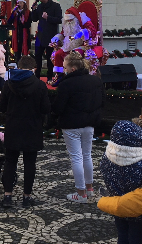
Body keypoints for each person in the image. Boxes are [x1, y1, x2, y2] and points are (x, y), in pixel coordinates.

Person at [0, 55, 51, 208]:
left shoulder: (9, 85)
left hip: (13, 126)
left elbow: (1, 107)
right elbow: (46, 108)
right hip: (32, 127)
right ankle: (26, 197)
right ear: (34, 69)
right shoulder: (40, 85)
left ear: (19, 67)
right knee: (29, 163)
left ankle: (7, 196)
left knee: (10, 161)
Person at [52, 52, 103, 203]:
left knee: (76, 157)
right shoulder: (96, 81)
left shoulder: (66, 84)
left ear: (72, 69)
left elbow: (58, 107)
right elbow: (102, 102)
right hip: (89, 123)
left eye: (65, 67)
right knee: (87, 155)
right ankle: (90, 188)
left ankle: (81, 193)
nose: (63, 70)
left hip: (71, 124)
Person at [100, 120, 142, 244]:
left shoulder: (106, 159)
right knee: (136, 237)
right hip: (136, 211)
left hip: (117, 206)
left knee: (122, 234)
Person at [30, 0, 62, 78]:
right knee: (37, 58)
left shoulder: (55, 6)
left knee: (50, 59)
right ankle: (37, 77)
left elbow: (59, 20)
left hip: (50, 37)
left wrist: (48, 18)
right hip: (40, 36)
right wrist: (34, 10)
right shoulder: (40, 7)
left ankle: (49, 77)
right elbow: (35, 19)